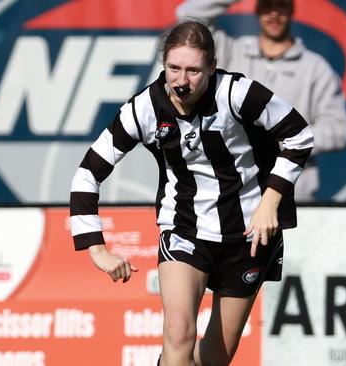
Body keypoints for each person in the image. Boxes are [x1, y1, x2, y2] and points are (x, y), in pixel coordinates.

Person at [69, 20, 313, 366]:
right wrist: (96, 249)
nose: (182, 81)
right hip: (185, 229)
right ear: (163, 65)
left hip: (249, 233)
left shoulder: (237, 93)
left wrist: (270, 200)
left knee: (213, 359)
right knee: (179, 332)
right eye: (174, 69)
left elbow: (299, 136)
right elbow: (87, 173)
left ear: (212, 67)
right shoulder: (143, 109)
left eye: (194, 70)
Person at [177, 0, 346, 202]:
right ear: (257, 9)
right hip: (232, 194)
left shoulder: (315, 68)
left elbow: (340, 130)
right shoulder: (232, 51)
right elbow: (187, 15)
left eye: (281, 6)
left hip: (291, 196)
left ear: (292, 10)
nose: (274, 14)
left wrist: (289, 139)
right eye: (268, 6)